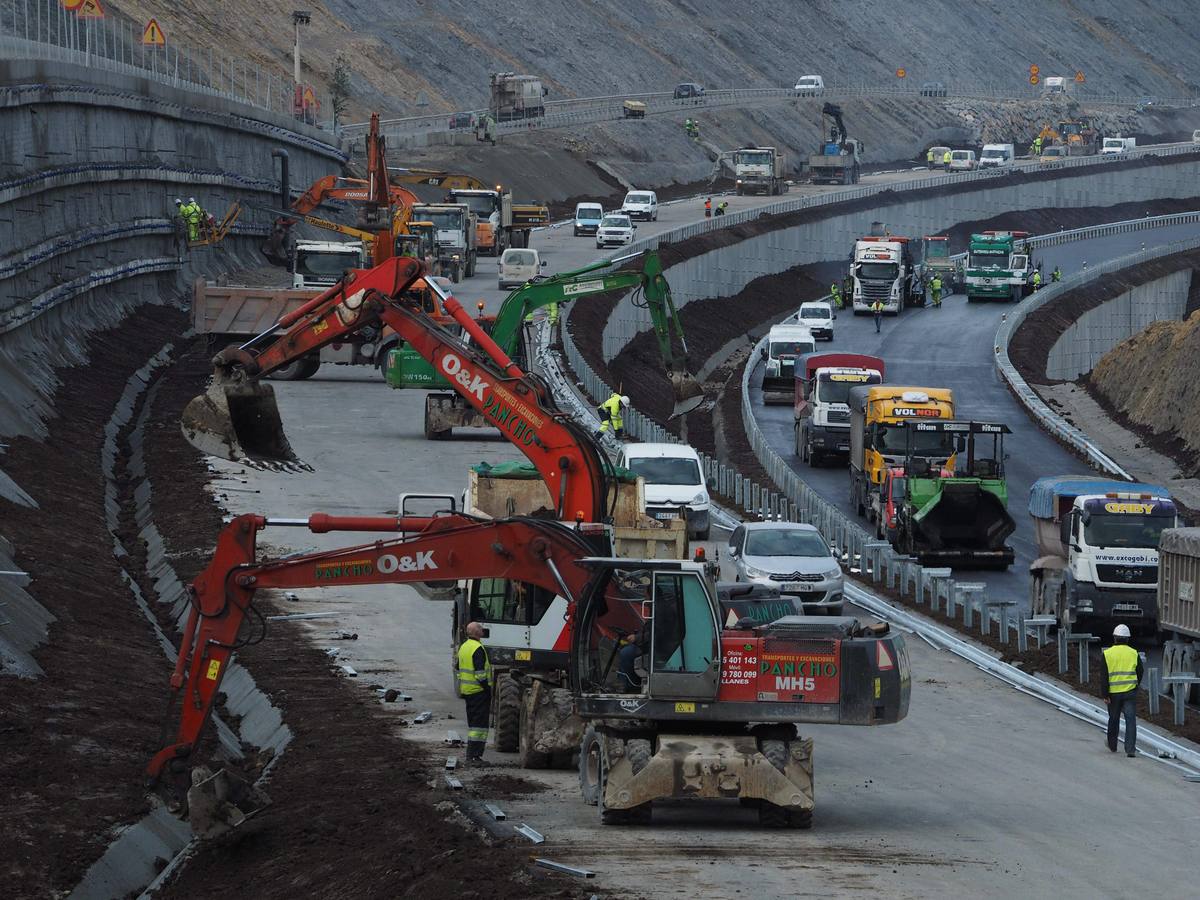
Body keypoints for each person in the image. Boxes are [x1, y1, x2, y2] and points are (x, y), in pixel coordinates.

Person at [1101, 624, 1143, 757]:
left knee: (1113, 719)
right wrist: (1135, 685)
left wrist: (1105, 694)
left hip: (1113, 694)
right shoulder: (1133, 653)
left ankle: (1112, 745)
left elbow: (1104, 676)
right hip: (1129, 692)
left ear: (1115, 638)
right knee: (1131, 720)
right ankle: (1130, 749)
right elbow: (1140, 671)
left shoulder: (1107, 654)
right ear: (1127, 639)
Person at [457, 622, 493, 764]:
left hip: (468, 691)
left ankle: (471, 755)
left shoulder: (464, 646)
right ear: (476, 632)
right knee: (479, 726)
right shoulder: (477, 648)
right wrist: (487, 690)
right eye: (480, 628)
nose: (482, 629)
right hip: (479, 692)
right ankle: (474, 757)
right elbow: (480, 674)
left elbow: (458, 668)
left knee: (473, 725)